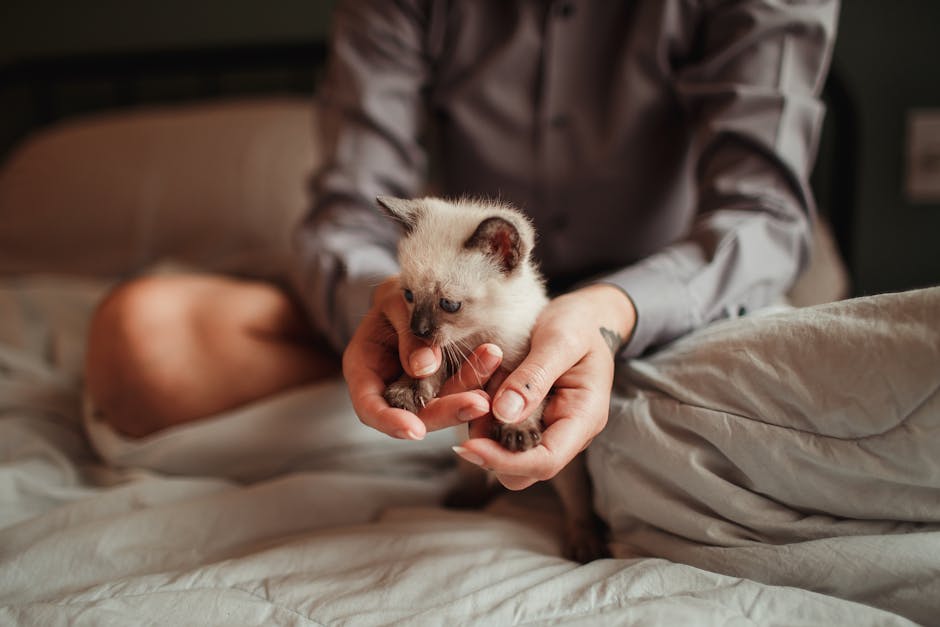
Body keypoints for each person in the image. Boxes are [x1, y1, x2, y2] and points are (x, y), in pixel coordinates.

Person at [84, 0, 840, 491]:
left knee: (798, 396)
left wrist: (613, 312)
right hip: (454, 323)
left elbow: (763, 217)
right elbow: (350, 211)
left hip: (649, 317)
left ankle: (512, 423)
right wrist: (387, 311)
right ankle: (460, 416)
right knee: (139, 340)